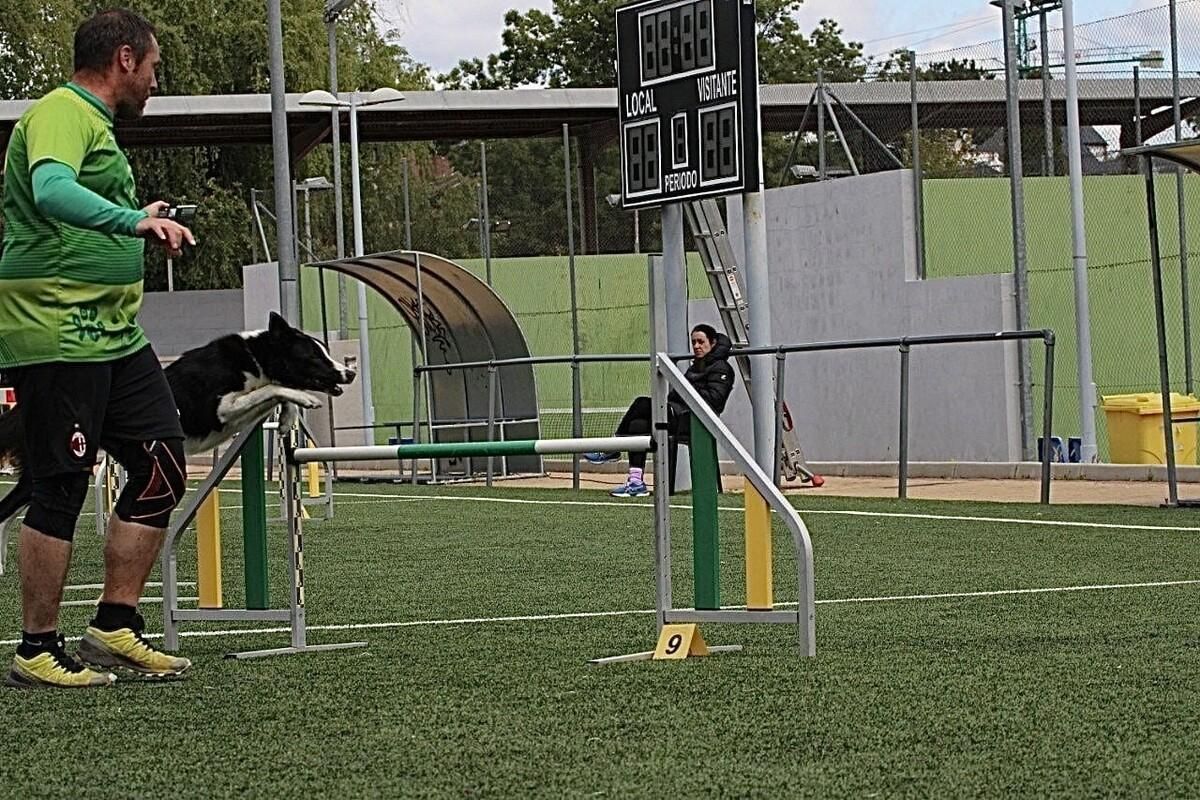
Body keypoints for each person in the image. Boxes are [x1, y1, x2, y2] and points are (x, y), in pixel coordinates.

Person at [0, 9, 197, 689]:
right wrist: (131, 219)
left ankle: (114, 626)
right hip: (58, 329)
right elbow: (52, 191)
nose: (154, 81)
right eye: (153, 67)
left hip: (113, 333)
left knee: (162, 463)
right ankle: (36, 648)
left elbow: (87, 207)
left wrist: (142, 220)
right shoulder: (61, 111)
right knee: (60, 482)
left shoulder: (96, 127)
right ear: (123, 59)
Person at [586, 324, 735, 497]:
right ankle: (636, 482)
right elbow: (678, 394)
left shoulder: (721, 368)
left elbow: (715, 400)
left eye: (701, 342)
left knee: (642, 403)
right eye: (693, 342)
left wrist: (686, 390)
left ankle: (613, 447)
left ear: (713, 343)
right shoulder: (696, 366)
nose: (696, 346)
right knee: (637, 424)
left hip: (694, 420)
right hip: (677, 414)